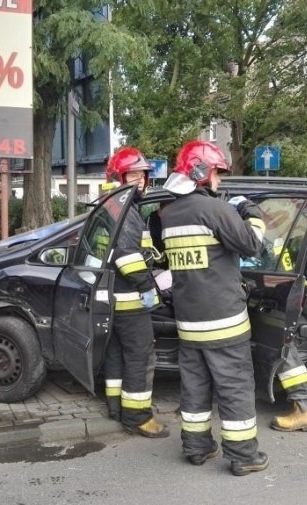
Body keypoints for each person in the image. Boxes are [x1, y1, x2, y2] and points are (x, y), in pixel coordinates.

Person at [161, 140, 269, 476]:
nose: (220, 179)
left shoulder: (168, 215)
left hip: (189, 322)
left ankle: (197, 448)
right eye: (217, 173)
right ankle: (243, 456)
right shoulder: (216, 210)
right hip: (224, 321)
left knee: (195, 387)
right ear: (202, 173)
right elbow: (253, 245)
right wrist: (251, 214)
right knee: (234, 386)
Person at [101, 147, 169, 438]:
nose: (140, 179)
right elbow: (127, 258)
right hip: (130, 300)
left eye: (143, 174)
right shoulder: (124, 211)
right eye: (133, 174)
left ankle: (116, 407)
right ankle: (138, 417)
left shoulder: (111, 205)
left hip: (113, 298)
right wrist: (150, 289)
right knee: (141, 357)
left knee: (117, 354)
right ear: (119, 176)